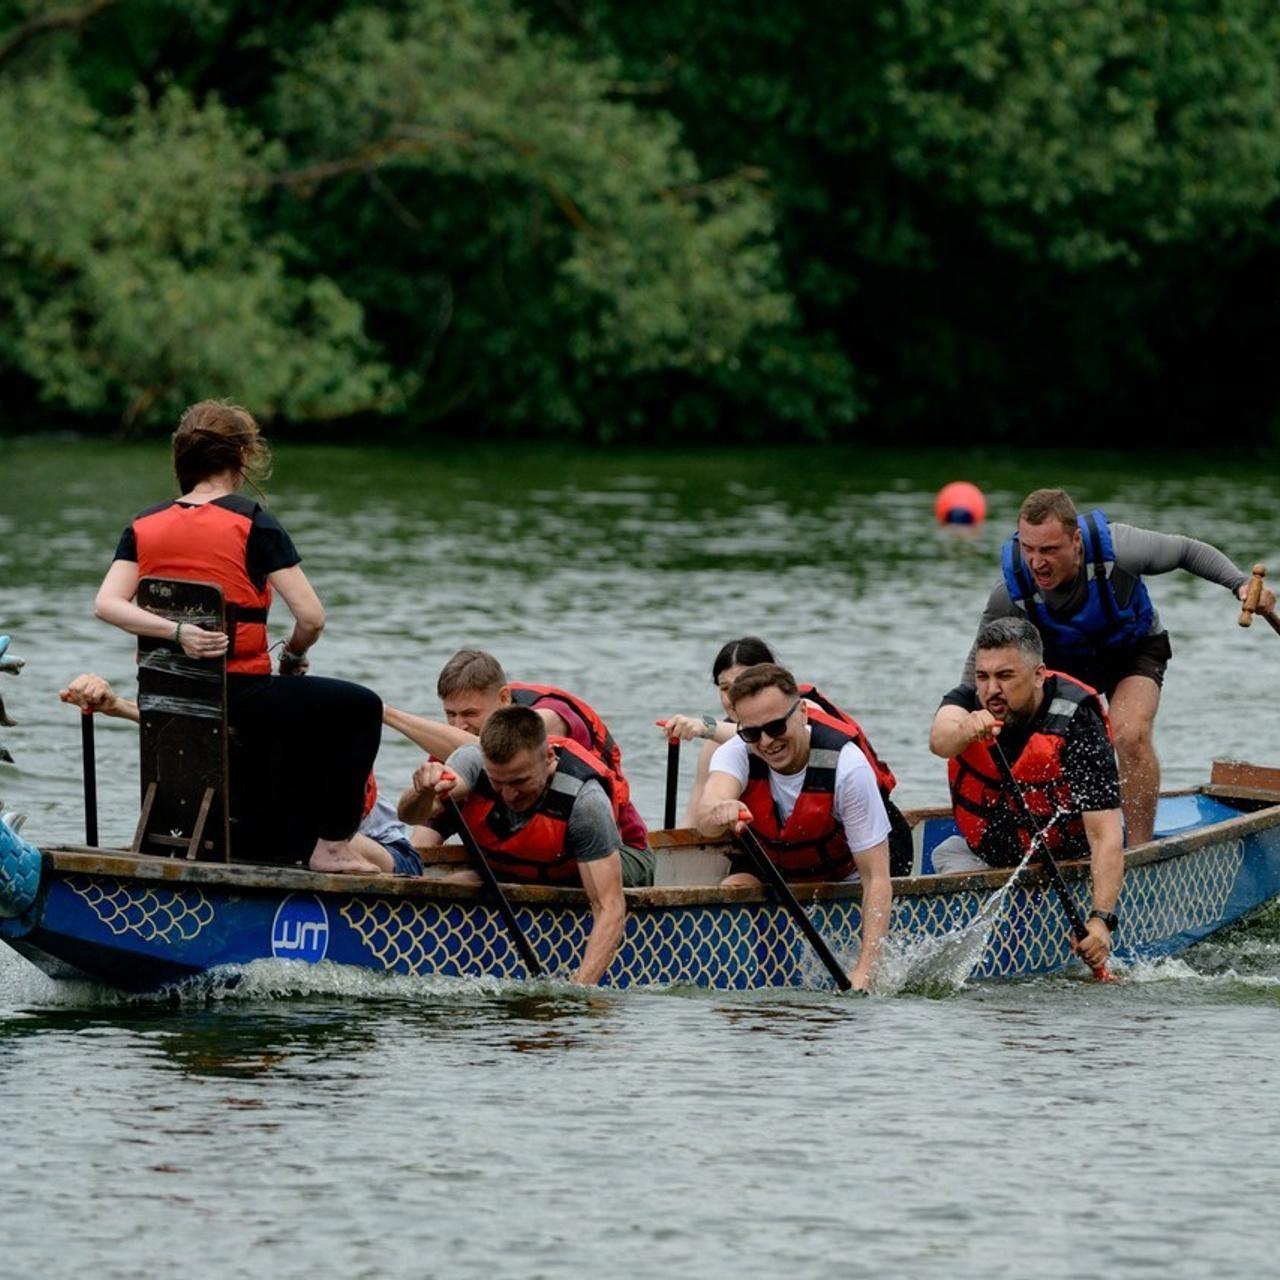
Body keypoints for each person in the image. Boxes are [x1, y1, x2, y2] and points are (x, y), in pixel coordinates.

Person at [91, 399, 386, 875]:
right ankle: (330, 848)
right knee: (360, 707)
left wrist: (177, 632)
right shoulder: (254, 523)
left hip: (168, 697)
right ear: (243, 456)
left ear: (182, 461)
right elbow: (312, 618)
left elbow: (106, 604)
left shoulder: (143, 525)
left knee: (294, 706)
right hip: (241, 694)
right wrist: (291, 658)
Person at [964, 487, 1277, 847]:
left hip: (1134, 651)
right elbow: (979, 659)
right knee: (1037, 748)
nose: (1037, 562)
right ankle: (1062, 841)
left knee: (1128, 734)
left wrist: (1238, 584)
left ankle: (1139, 852)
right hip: (1066, 672)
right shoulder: (1009, 590)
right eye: (1029, 549)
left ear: (1076, 540)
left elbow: (1186, 551)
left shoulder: (1121, 548)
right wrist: (960, 714)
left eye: (1049, 550)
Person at [58, 674, 422, 875]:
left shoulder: (323, 734)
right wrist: (116, 704)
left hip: (390, 853)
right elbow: (202, 729)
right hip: (299, 838)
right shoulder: (260, 735)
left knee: (293, 832)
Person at [932, 617, 1122, 971]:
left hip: (1065, 865)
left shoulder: (1077, 719)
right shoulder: (966, 702)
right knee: (946, 852)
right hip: (985, 858)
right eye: (984, 677)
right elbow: (939, 741)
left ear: (1038, 675)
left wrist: (1100, 919)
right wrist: (965, 732)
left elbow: (1105, 833)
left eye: (1005, 677)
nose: (992, 690)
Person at [398, 704, 631, 985]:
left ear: (548, 757)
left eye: (520, 781)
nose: (509, 794)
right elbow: (409, 815)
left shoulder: (585, 802)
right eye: (498, 782)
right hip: (522, 864)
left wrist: (579, 990)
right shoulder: (472, 762)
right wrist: (421, 791)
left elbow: (610, 909)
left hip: (604, 865)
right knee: (458, 882)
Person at [695, 663, 893, 991]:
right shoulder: (736, 752)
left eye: (775, 726)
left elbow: (876, 879)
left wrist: (864, 973)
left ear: (801, 713)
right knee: (734, 884)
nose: (767, 742)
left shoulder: (847, 766)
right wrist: (718, 810)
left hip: (847, 870)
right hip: (777, 862)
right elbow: (707, 817)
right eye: (752, 732)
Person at [384, 648, 654, 882]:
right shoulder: (455, 752)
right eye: (450, 715)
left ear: (503, 698)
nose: (458, 725)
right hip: (528, 861)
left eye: (470, 714)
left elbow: (476, 748)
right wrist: (408, 880)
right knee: (460, 879)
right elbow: (424, 832)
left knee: (474, 879)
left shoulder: (547, 718)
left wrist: (387, 715)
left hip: (618, 851)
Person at [659, 636, 914, 874]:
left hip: (865, 839)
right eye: (725, 688)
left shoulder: (803, 711)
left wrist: (706, 727)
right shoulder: (718, 749)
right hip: (782, 849)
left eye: (745, 681)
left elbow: (761, 736)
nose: (735, 696)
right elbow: (696, 819)